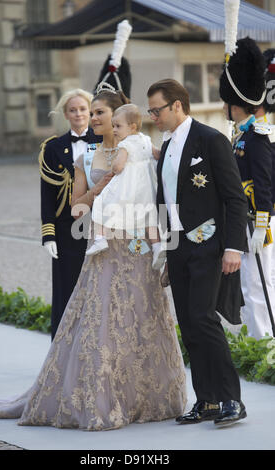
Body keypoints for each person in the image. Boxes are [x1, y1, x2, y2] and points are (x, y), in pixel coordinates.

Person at [0, 87, 187, 431]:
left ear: (119, 119)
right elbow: (76, 208)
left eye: (100, 112)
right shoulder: (87, 157)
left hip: (141, 248)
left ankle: (146, 397)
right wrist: (98, 188)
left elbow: (168, 174)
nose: (94, 118)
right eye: (94, 112)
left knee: (143, 318)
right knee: (104, 323)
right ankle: (105, 397)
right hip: (107, 248)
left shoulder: (141, 147)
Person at [147, 78, 248, 426]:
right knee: (189, 324)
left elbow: (236, 198)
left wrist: (234, 246)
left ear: (177, 105)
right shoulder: (166, 143)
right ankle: (205, 400)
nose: (153, 117)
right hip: (178, 248)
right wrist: (165, 252)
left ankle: (231, 399)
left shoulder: (211, 139)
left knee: (205, 319)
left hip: (209, 245)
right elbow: (166, 201)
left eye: (156, 110)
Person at [220, 38, 275, 340]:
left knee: (257, 284)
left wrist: (260, 226)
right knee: (254, 282)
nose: (222, 106)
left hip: (258, 221)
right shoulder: (241, 135)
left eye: (226, 102)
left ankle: (263, 344)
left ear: (235, 103)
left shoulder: (257, 136)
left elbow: (264, 183)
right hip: (248, 218)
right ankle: (263, 339)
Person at [39, 88, 102, 340]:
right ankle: (62, 349)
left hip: (99, 226)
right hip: (67, 229)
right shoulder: (54, 148)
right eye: (73, 110)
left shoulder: (105, 142)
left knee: (98, 289)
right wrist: (48, 234)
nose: (78, 114)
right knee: (67, 289)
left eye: (83, 109)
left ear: (90, 111)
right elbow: (47, 194)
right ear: (65, 114)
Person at [85, 102, 165, 269]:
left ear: (132, 126)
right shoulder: (146, 139)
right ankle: (158, 247)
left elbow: (118, 167)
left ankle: (100, 238)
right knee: (150, 217)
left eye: (118, 126)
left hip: (127, 187)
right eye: (113, 126)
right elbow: (158, 154)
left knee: (102, 203)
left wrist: (114, 166)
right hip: (146, 188)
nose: (114, 130)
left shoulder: (125, 145)